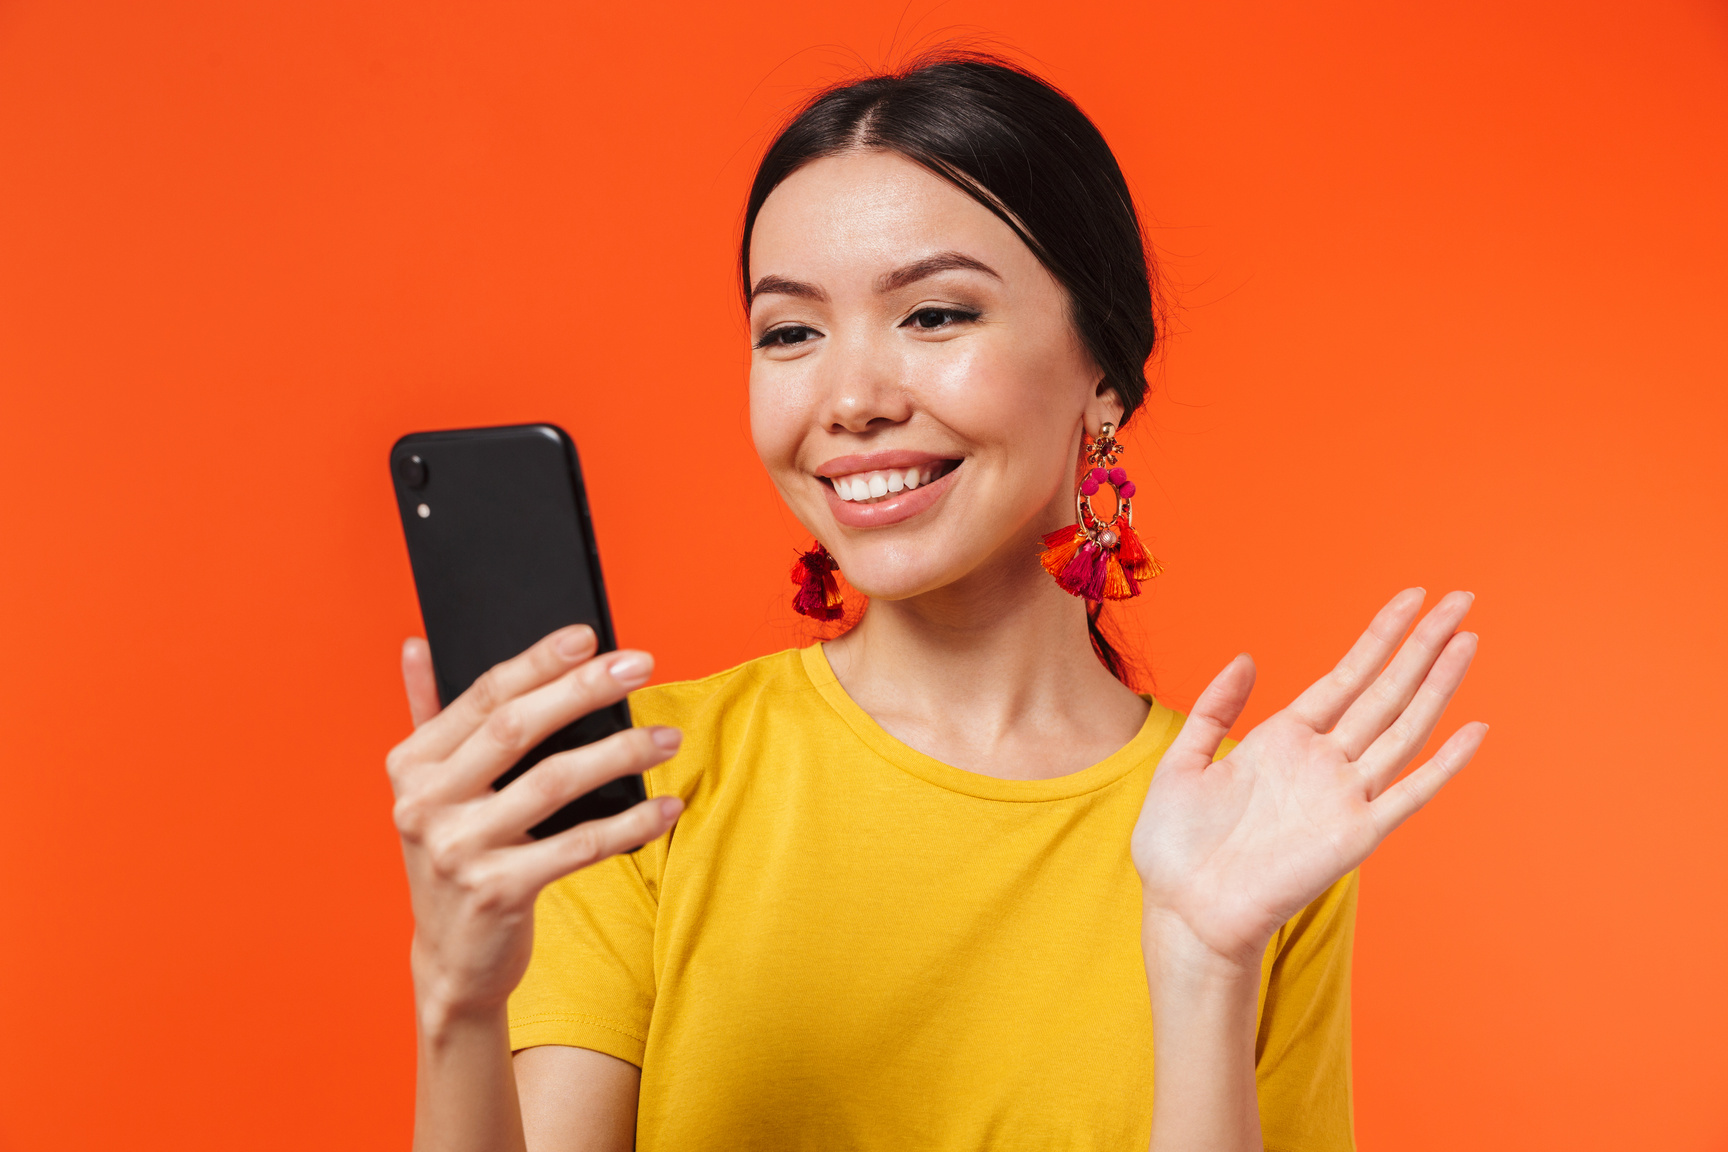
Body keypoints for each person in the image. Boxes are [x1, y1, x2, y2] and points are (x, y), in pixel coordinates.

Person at [386, 53, 1486, 1152]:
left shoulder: (1245, 834)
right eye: (790, 332)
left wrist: (1202, 972)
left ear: (1104, 367)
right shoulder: (641, 782)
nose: (854, 399)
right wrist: (457, 997)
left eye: (935, 315)